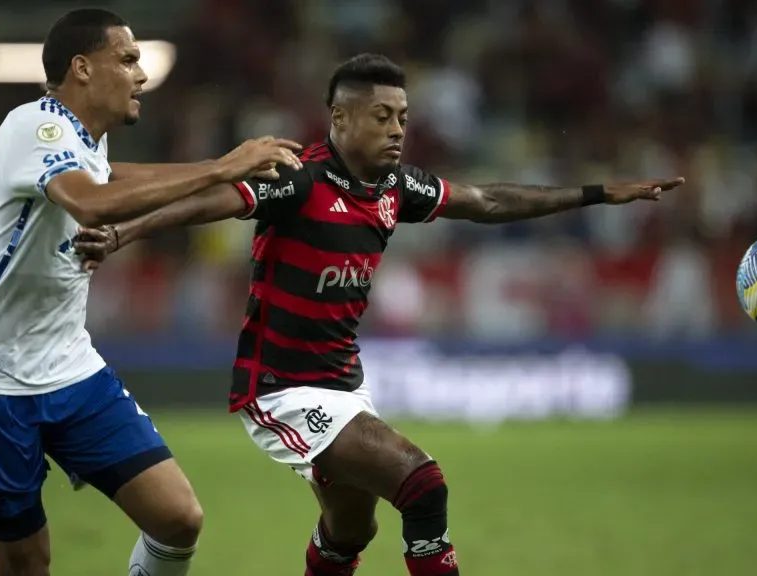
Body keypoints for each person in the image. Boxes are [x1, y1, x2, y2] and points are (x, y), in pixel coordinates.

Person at [82, 53, 684, 576]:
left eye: (402, 117)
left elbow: (487, 200)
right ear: (340, 118)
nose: (397, 129)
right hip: (282, 388)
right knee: (422, 483)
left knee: (350, 530)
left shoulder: (396, 187)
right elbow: (208, 203)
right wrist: (124, 232)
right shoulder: (301, 180)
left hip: (344, 384)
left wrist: (597, 193)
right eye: (381, 116)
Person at [0, 8, 301, 576]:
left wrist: (223, 168)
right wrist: (222, 168)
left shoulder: (83, 144)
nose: (141, 75)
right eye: (127, 59)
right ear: (82, 68)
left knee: (177, 517)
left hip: (68, 366)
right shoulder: (34, 125)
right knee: (26, 562)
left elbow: (113, 178)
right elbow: (92, 201)